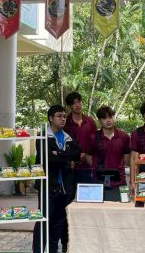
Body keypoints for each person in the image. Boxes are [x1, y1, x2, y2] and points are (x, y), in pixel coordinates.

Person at [33, 105, 81, 253]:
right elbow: (48, 158)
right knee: (44, 221)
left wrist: (58, 153)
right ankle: (38, 250)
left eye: (64, 116)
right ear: (51, 118)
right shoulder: (43, 136)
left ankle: (53, 250)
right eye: (59, 116)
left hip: (64, 188)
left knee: (59, 223)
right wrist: (66, 159)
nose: (63, 119)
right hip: (48, 186)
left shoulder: (68, 137)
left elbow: (77, 153)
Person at [87, 106, 131, 201]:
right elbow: (87, 156)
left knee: (124, 207)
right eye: (104, 118)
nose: (108, 120)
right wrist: (97, 166)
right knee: (98, 209)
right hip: (99, 182)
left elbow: (127, 158)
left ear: (114, 118)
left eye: (110, 117)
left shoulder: (124, 136)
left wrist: (120, 166)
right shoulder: (93, 138)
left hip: (121, 182)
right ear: (99, 120)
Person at [64, 91, 97, 185]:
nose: (77, 105)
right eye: (74, 103)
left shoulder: (90, 121)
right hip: (71, 166)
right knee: (72, 193)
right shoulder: (65, 123)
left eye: (79, 102)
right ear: (69, 106)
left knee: (89, 192)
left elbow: (96, 141)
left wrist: (86, 153)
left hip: (88, 166)